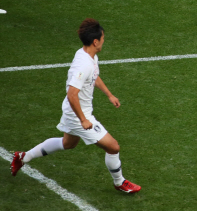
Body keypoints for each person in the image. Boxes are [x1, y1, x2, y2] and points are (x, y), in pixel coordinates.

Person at [11, 18, 141, 194]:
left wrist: (109, 94)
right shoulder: (84, 64)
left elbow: (94, 76)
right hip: (78, 114)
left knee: (68, 143)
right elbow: (72, 94)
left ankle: (22, 157)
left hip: (74, 111)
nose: (104, 40)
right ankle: (119, 182)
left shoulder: (88, 55)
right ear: (95, 41)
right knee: (113, 147)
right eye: (102, 38)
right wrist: (83, 120)